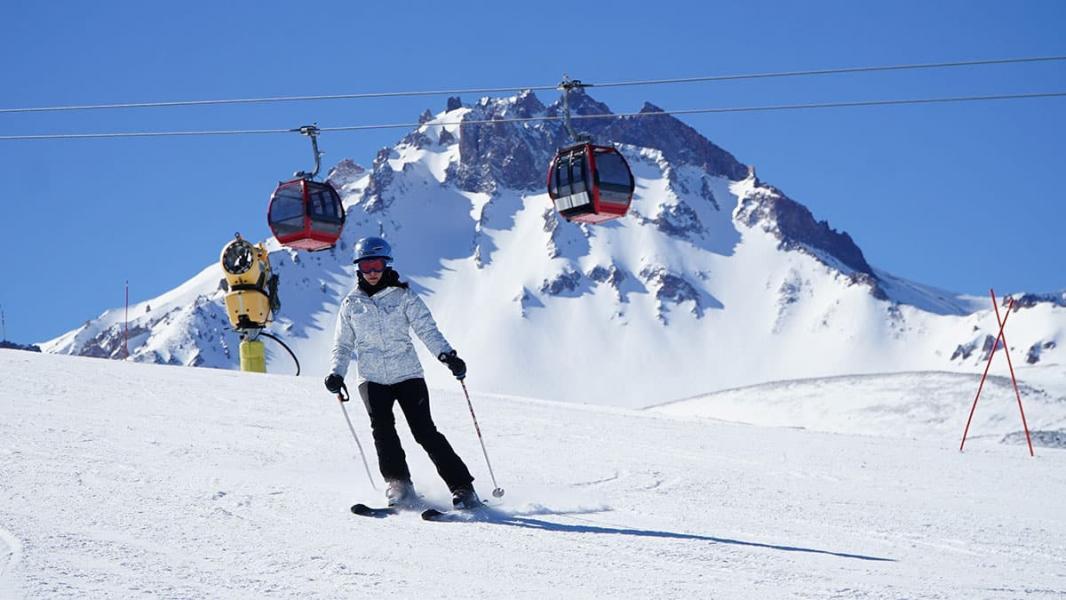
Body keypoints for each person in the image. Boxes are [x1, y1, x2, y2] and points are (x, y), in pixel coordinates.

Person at [324, 236, 479, 509]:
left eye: (377, 265)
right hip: (371, 378)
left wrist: (448, 356)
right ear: (358, 269)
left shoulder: (403, 296)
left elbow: (426, 329)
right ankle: (399, 485)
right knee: (382, 431)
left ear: (386, 265)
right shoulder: (351, 304)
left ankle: (463, 488)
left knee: (424, 431)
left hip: (407, 374)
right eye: (366, 266)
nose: (372, 272)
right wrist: (336, 373)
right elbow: (343, 344)